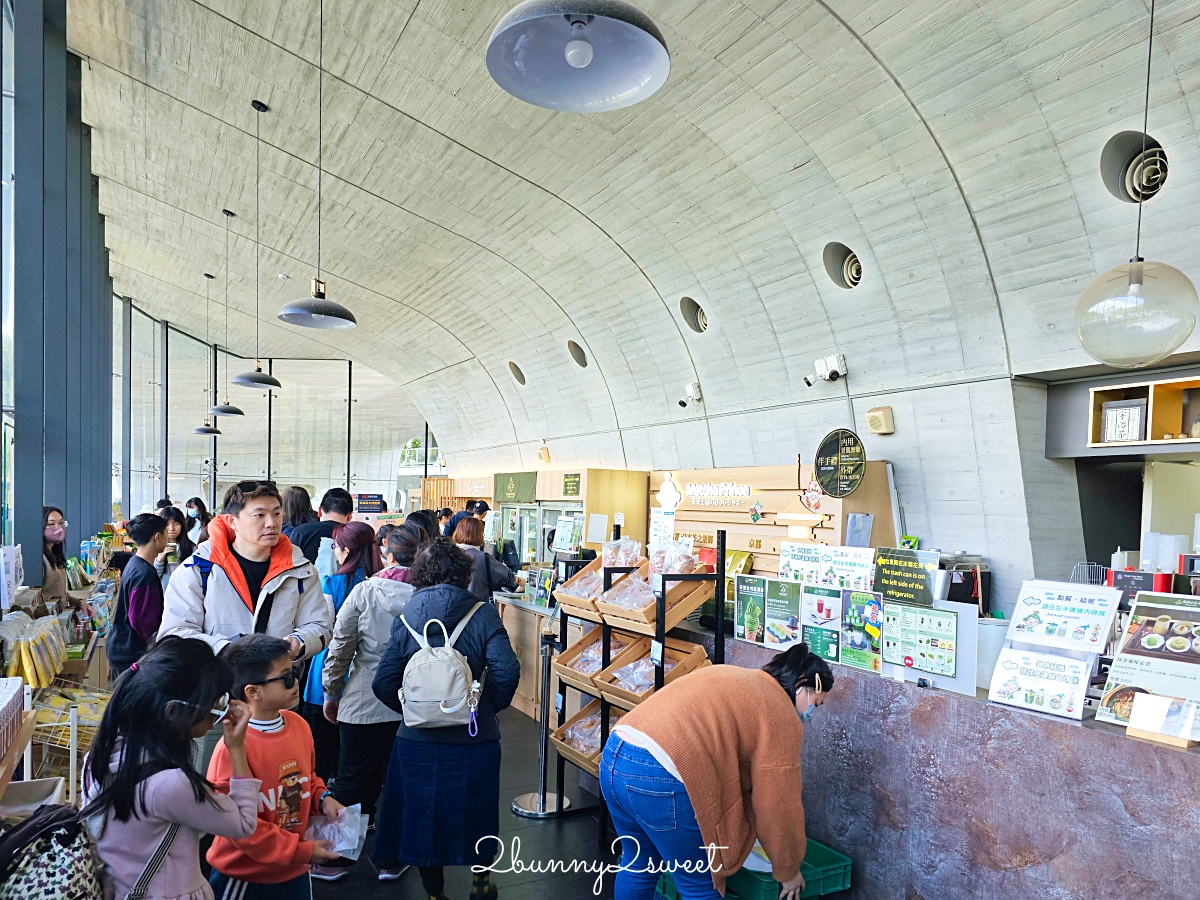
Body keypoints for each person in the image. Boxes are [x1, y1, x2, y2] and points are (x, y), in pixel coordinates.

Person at [599, 644, 835, 900]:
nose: (809, 714)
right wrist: (788, 871)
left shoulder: (733, 675)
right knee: (699, 884)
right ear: (801, 683)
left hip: (616, 752)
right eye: (815, 703)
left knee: (639, 865)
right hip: (661, 773)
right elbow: (778, 805)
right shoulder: (780, 712)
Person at [371, 538, 520, 900]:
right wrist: (484, 707)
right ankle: (480, 886)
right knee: (479, 811)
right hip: (475, 735)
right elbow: (507, 669)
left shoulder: (405, 616)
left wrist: (415, 710)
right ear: (464, 573)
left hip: (417, 739)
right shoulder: (481, 613)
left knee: (423, 816)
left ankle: (435, 893)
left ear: (420, 574)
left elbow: (383, 682)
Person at [158, 480, 331, 771]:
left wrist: (298, 643)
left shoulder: (301, 570)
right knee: (213, 786)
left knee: (279, 787)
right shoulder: (198, 569)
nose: (271, 523)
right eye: (259, 514)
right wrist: (232, 651)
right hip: (214, 705)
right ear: (231, 521)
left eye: (277, 514)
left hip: (276, 704)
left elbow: (321, 625)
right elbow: (175, 633)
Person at [83, 637, 260, 900]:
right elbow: (243, 824)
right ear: (174, 712)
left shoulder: (99, 758)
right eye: (214, 701)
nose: (219, 709)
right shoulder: (171, 785)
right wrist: (236, 747)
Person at [207, 634, 345, 899]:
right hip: (246, 875)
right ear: (253, 692)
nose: (296, 682)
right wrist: (302, 850)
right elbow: (236, 826)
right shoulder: (233, 747)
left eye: (294, 672)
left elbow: (308, 777)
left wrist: (323, 798)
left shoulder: (299, 726)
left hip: (295, 868)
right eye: (286, 677)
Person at [316, 525, 417, 882]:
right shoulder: (426, 597)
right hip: (412, 706)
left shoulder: (363, 592)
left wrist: (331, 693)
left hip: (361, 701)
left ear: (387, 554)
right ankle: (390, 861)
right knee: (400, 785)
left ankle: (333, 860)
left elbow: (340, 648)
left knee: (352, 782)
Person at [301, 521, 382, 788]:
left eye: (335, 546)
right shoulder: (381, 583)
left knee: (322, 752)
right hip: (368, 678)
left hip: (327, 672)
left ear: (345, 551)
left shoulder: (331, 583)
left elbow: (323, 629)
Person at [107, 513, 170, 680]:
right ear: (157, 537)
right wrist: (157, 645)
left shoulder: (135, 563)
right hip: (131, 652)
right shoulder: (144, 574)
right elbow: (141, 620)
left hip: (122, 646)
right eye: (166, 533)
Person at [453, 517, 517, 602]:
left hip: (452, 609)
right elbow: (507, 576)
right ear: (479, 535)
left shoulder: (449, 555)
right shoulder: (483, 558)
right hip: (476, 608)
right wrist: (519, 580)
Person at [289, 487, 354, 565]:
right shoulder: (355, 536)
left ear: (319, 511)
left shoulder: (301, 532)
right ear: (350, 516)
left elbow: (288, 563)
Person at [155, 506, 196, 592]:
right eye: (167, 524)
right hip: (164, 596)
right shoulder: (155, 548)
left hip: (185, 594)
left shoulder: (191, 548)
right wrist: (159, 561)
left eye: (176, 523)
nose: (171, 528)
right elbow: (152, 578)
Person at [42, 505, 69, 603]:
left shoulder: (56, 555)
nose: (59, 528)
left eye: (61, 523)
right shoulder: (42, 560)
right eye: (51, 524)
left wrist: (79, 602)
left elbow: (60, 594)